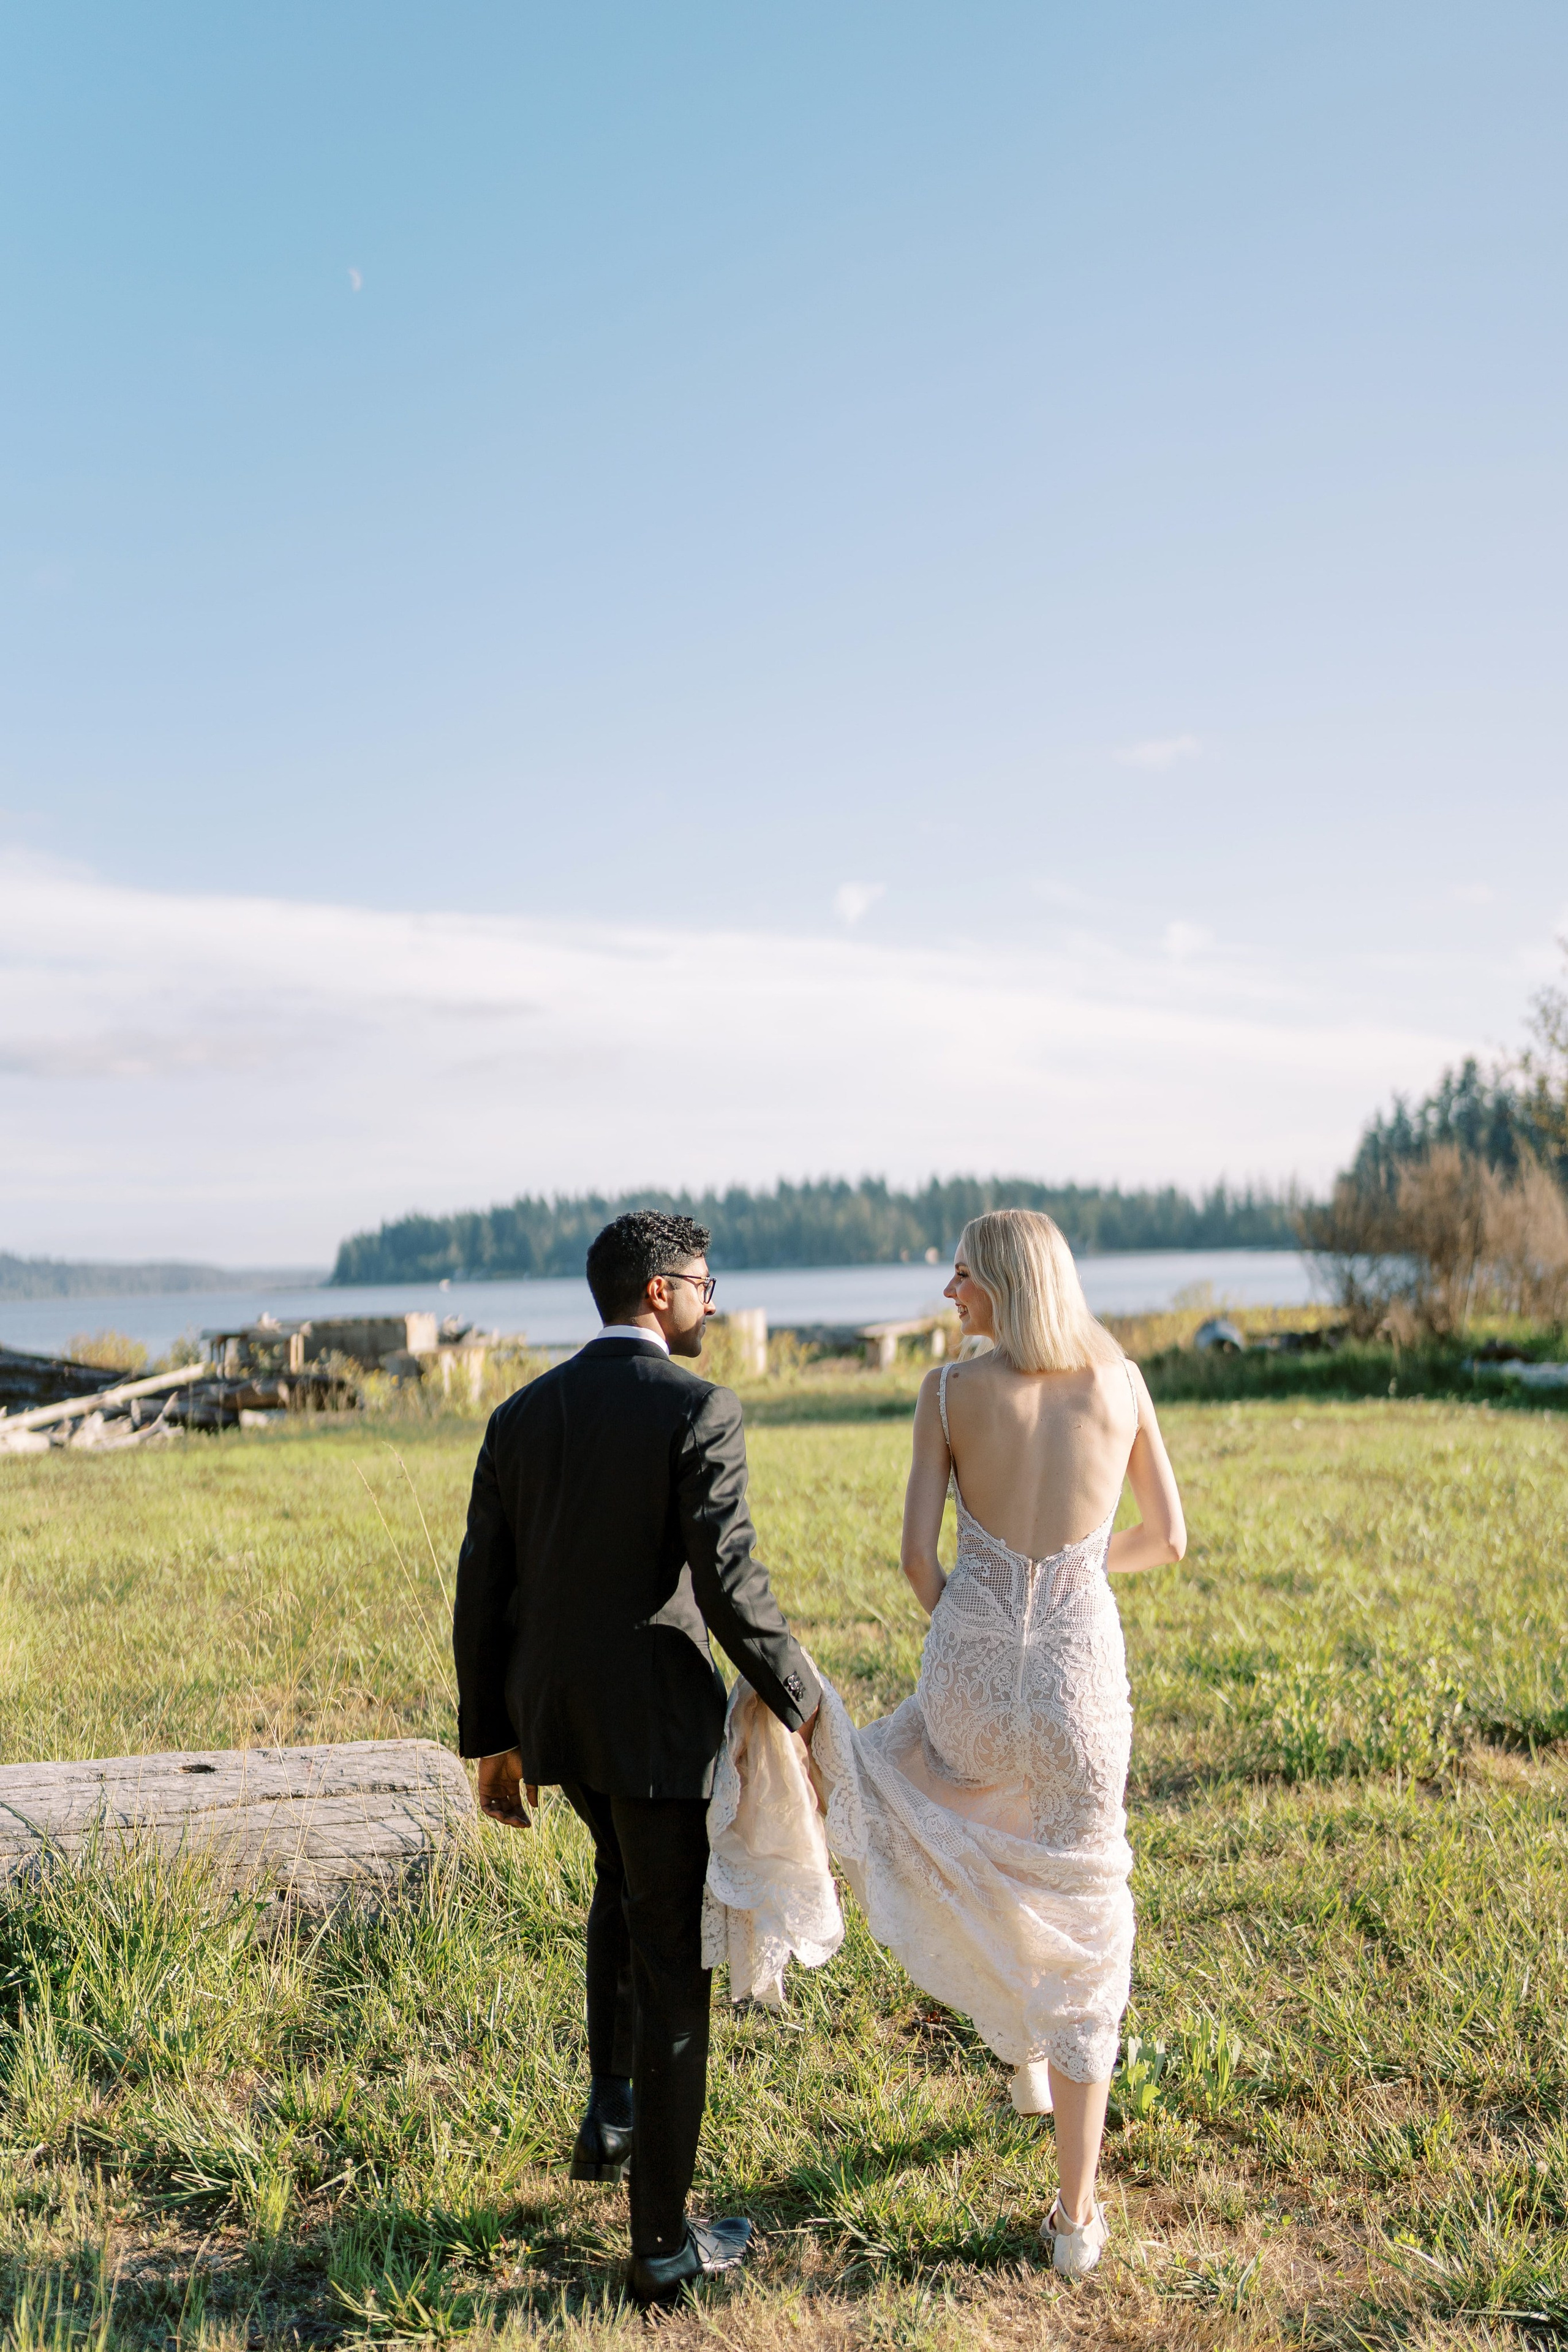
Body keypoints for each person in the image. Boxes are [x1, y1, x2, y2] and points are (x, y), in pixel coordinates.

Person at [705, 1208, 1185, 2277]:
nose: (947, 1289)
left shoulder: (949, 1393)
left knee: (910, 1790)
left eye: (962, 1272)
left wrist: (972, 1627)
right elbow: (1172, 1538)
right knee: (1084, 1908)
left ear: (1006, 1284)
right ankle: (1075, 2219)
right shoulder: (1123, 1385)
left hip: (968, 1669)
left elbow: (918, 1561)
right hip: (1078, 1676)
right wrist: (1082, 1576)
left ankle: (1019, 2053)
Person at [452, 1210, 820, 2305]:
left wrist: (496, 1739)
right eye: (704, 1280)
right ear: (659, 1292)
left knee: (622, 1882)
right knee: (675, 1968)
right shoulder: (697, 1406)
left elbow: (482, 1593)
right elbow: (728, 1584)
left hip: (560, 1721)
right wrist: (801, 1699)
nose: (715, 1296)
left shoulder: (521, 1413)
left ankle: (612, 2107)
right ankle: (662, 2247)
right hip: (654, 1724)